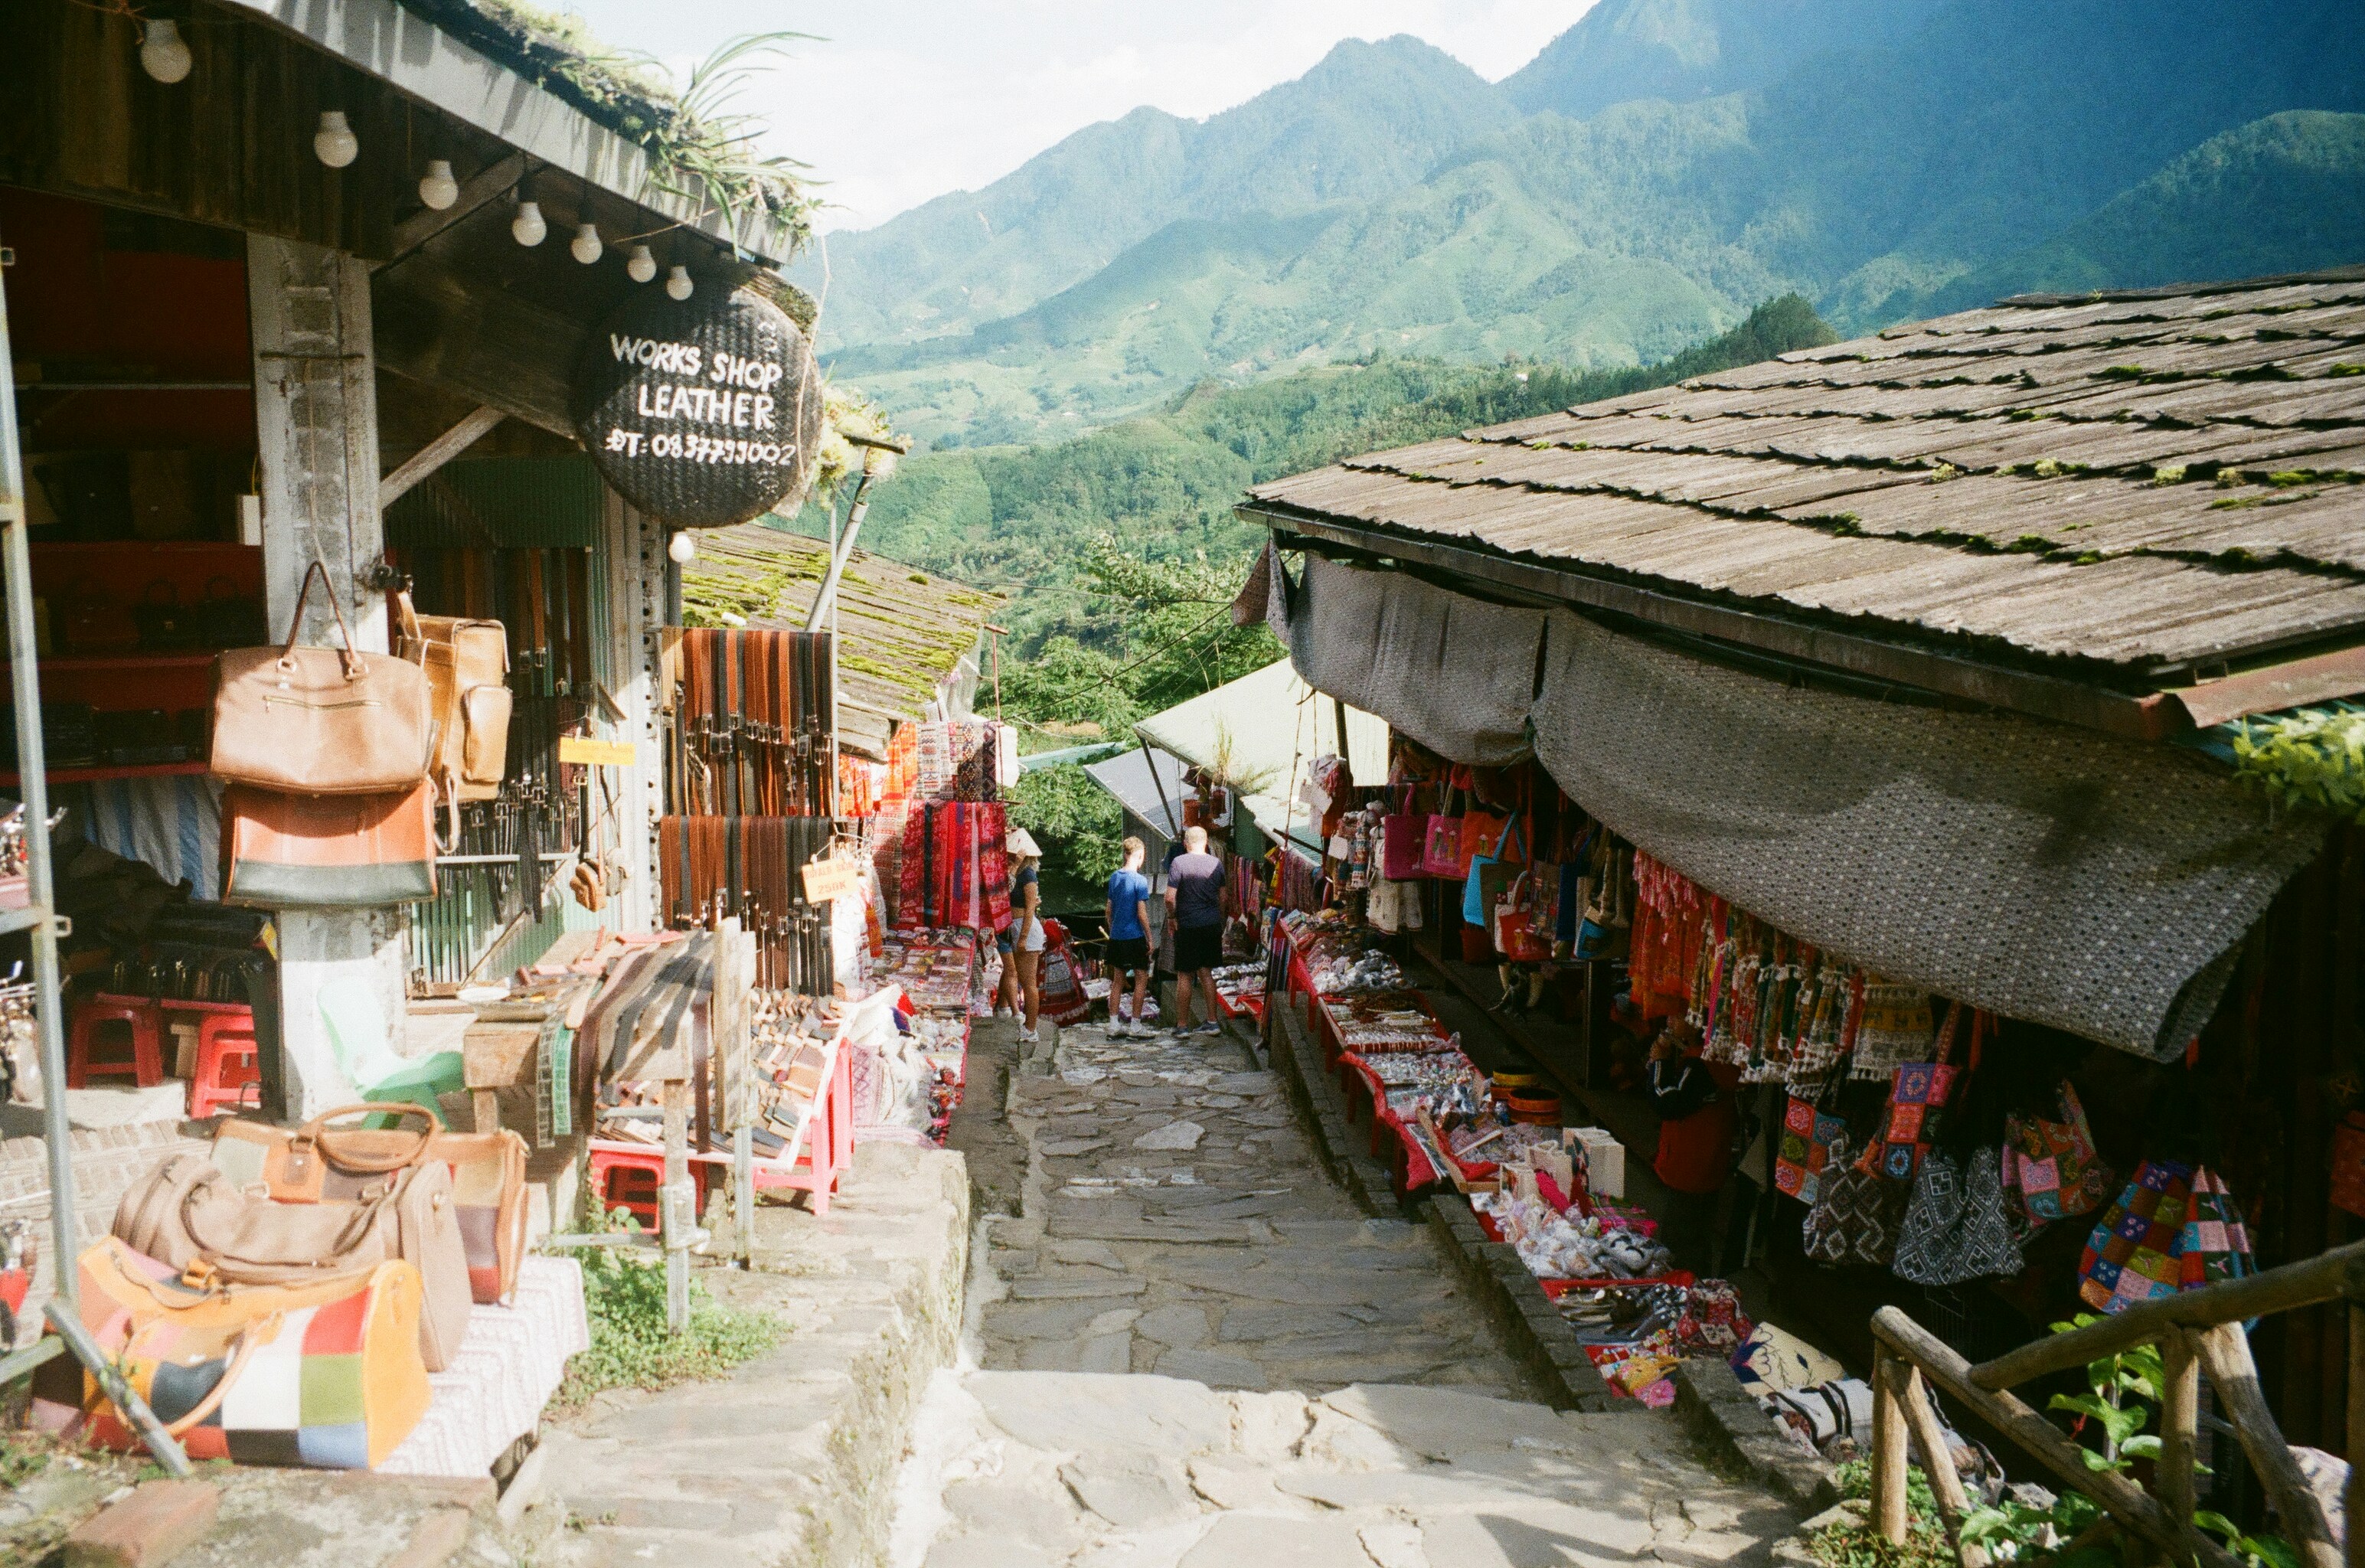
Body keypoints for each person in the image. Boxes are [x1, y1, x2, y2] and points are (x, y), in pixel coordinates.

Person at [1645, 1020, 1739, 1272]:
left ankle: (1684, 1297)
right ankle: (1699, 1293)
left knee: (1679, 1243)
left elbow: (1669, 1103)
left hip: (1688, 1165)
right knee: (1697, 1238)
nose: (1670, 1023)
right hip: (1707, 1162)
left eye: (1678, 1017)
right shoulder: (1718, 1062)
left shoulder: (1700, 1064)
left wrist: (1659, 1063)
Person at [1165, 824, 1225, 1037]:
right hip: (1211, 924)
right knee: (1207, 972)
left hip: (1188, 925)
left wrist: (1172, 917)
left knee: (1184, 975)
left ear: (1185, 844)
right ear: (1206, 842)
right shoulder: (1217, 864)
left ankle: (1182, 1026)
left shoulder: (1179, 863)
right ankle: (1212, 1021)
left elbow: (1170, 898)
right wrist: (1220, 920)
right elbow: (1223, 897)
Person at [1104, 837, 1153, 1038]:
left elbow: (1108, 910)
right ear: (1140, 856)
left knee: (1117, 981)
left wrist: (1114, 928)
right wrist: (1149, 937)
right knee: (1141, 979)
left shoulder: (1114, 878)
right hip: (1135, 936)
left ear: (1124, 854)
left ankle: (1114, 1025)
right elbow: (1141, 912)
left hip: (1117, 936)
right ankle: (1135, 1024)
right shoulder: (1140, 881)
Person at [1007, 828, 1047, 1043]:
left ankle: (1031, 1028)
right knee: (1025, 980)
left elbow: (1030, 907)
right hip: (1019, 925)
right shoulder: (1017, 873)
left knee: (1029, 983)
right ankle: (1029, 1026)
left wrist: (1022, 937)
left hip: (1026, 927)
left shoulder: (1028, 874)